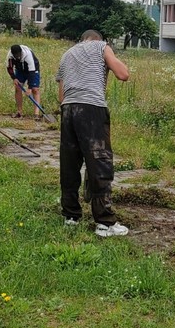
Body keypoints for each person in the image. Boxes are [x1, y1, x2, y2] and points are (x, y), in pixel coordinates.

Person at [56, 30, 130, 237]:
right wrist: (110, 55)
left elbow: (61, 95)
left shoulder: (67, 54)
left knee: (69, 163)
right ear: (97, 39)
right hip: (91, 109)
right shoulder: (101, 46)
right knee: (100, 163)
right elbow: (123, 74)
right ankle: (105, 223)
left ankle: (71, 216)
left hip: (68, 110)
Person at [6, 44, 42, 119]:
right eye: (16, 56)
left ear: (21, 52)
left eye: (19, 55)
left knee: (35, 89)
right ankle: (19, 112)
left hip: (33, 69)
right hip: (20, 70)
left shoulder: (27, 54)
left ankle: (36, 113)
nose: (18, 57)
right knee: (18, 88)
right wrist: (14, 78)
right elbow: (9, 67)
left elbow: (31, 71)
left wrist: (29, 88)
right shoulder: (10, 56)